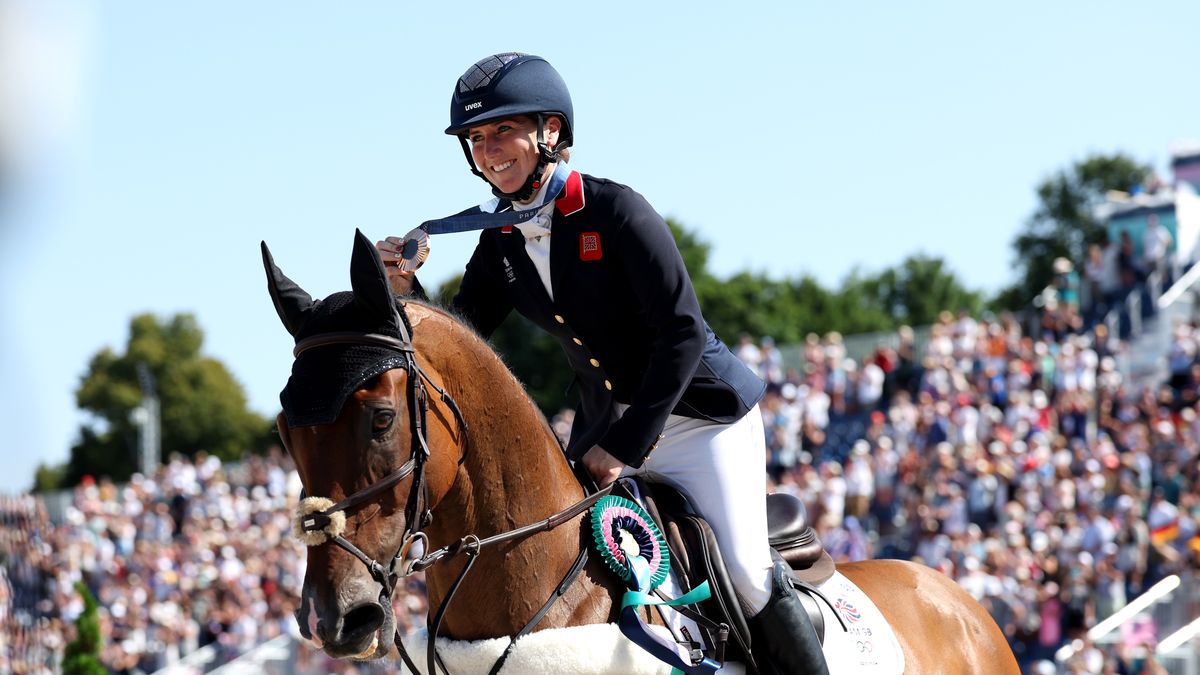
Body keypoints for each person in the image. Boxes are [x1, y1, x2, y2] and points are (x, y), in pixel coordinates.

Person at [376, 52, 827, 674]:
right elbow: (461, 339)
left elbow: (682, 334)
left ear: (550, 131)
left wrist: (625, 445)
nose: (488, 149)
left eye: (502, 130)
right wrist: (402, 291)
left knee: (747, 575)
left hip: (697, 420)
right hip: (597, 432)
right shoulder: (501, 236)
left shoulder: (618, 212)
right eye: (476, 139)